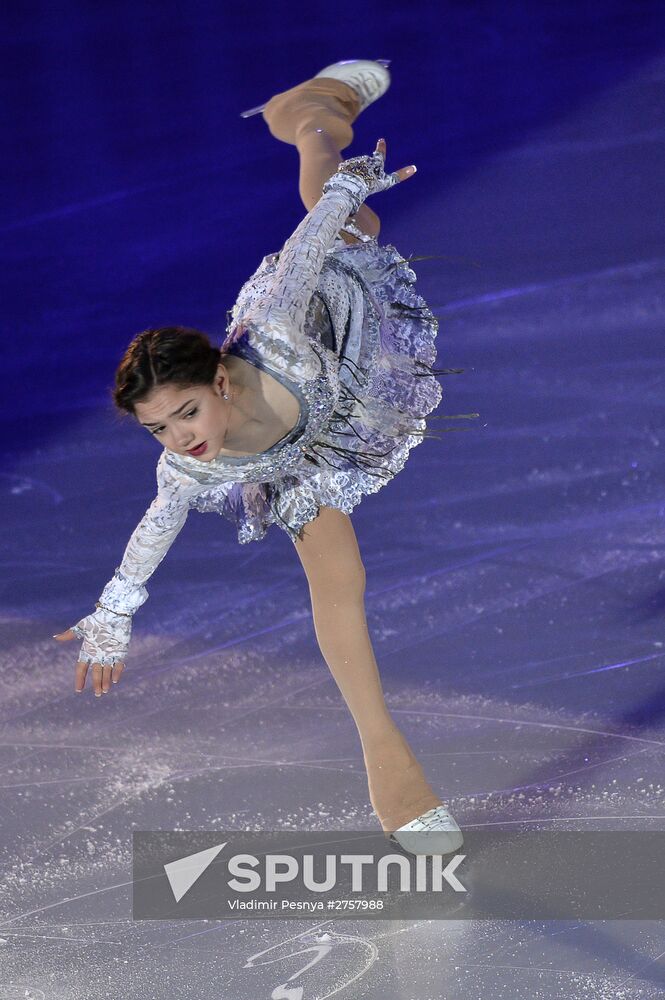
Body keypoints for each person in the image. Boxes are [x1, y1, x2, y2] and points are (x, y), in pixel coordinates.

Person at [54, 59, 474, 856]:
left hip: (330, 327)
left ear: (218, 378)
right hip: (292, 456)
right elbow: (152, 533)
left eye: (185, 412)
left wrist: (351, 189)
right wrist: (113, 616)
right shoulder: (189, 463)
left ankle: (310, 115)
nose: (180, 437)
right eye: (158, 429)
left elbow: (306, 244)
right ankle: (389, 764)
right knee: (336, 583)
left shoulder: (275, 326)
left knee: (339, 215)